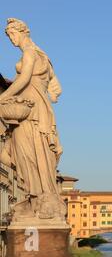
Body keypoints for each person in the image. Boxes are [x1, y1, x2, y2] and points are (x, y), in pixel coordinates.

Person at [0, 18, 65, 222]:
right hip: (33, 106)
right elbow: (55, 84)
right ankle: (34, 196)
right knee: (24, 153)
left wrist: (2, 98)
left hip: (31, 110)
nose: (11, 39)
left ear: (22, 32)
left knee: (31, 153)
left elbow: (25, 78)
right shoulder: (42, 55)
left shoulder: (30, 52)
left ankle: (40, 198)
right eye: (8, 35)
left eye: (12, 34)